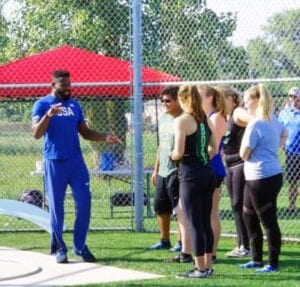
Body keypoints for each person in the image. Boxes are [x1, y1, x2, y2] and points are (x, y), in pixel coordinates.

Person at [32, 70, 120, 264]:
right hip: (55, 161)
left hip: (76, 162)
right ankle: (60, 247)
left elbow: (85, 132)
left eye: (70, 86)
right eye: (64, 86)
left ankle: (79, 246)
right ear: (53, 85)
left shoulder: (74, 104)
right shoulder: (42, 104)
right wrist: (48, 115)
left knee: (85, 202)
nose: (68, 89)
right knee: (57, 207)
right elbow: (36, 134)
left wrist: (104, 137)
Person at [239, 84, 288, 273]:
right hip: (262, 176)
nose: (244, 103)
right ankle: (256, 259)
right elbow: (285, 133)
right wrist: (274, 147)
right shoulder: (272, 120)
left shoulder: (257, 123)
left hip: (262, 177)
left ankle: (272, 263)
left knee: (268, 220)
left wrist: (266, 150)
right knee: (248, 215)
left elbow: (244, 154)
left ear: (256, 100)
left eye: (247, 100)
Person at [171, 85, 217, 279]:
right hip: (208, 173)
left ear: (183, 99)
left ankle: (200, 269)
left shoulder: (183, 120)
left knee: (194, 223)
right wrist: (201, 157)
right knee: (205, 221)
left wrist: (172, 155)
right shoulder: (204, 119)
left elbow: (179, 152)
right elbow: (213, 148)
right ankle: (207, 265)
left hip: (190, 175)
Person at [217, 85, 252, 258]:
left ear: (232, 98)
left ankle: (245, 245)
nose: (220, 102)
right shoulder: (226, 117)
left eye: (223, 98)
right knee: (235, 204)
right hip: (229, 165)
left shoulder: (238, 112)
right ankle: (243, 243)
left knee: (239, 204)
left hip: (240, 164)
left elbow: (254, 120)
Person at [148, 86, 182, 251]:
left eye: (168, 100)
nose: (164, 103)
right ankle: (164, 240)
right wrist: (156, 169)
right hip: (163, 171)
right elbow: (161, 145)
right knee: (160, 207)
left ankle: (182, 242)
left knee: (179, 209)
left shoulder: (184, 118)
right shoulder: (163, 119)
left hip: (177, 170)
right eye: (162, 101)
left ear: (178, 100)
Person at [198, 84, 227, 263]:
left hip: (213, 169)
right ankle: (207, 250)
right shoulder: (206, 117)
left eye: (199, 95)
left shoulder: (216, 118)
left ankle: (212, 252)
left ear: (209, 97)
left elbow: (213, 148)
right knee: (204, 212)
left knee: (211, 212)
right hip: (205, 168)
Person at [278, 87, 300, 213]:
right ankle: (292, 207)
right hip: (291, 152)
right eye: (291, 96)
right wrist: (282, 145)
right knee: (292, 181)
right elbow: (279, 130)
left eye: (296, 96)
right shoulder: (284, 113)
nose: (293, 99)